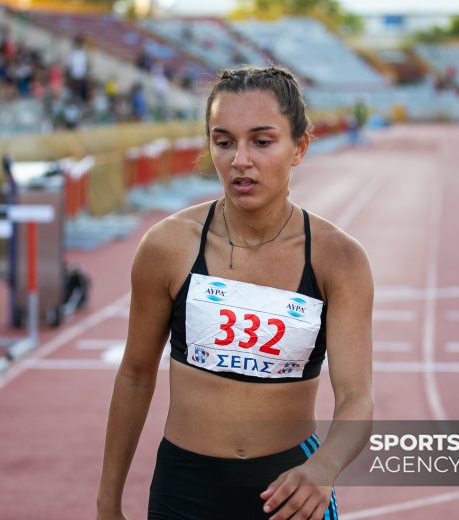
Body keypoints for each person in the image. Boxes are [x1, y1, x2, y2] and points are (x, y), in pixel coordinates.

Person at [97, 66, 374, 520]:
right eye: (223, 142)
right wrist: (107, 503)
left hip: (289, 493)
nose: (239, 160)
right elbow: (134, 375)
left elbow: (356, 397)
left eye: (261, 142)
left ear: (300, 147)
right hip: (183, 491)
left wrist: (324, 467)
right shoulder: (168, 246)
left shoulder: (339, 259)